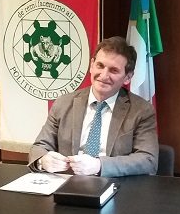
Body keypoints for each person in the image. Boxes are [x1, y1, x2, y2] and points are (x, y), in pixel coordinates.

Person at [28, 36, 158, 177]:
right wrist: (42, 160)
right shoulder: (63, 103)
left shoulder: (141, 110)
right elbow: (39, 146)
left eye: (113, 70)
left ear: (128, 77)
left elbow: (148, 159)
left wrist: (99, 165)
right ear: (91, 65)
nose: (104, 75)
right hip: (67, 182)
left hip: (114, 184)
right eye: (100, 66)